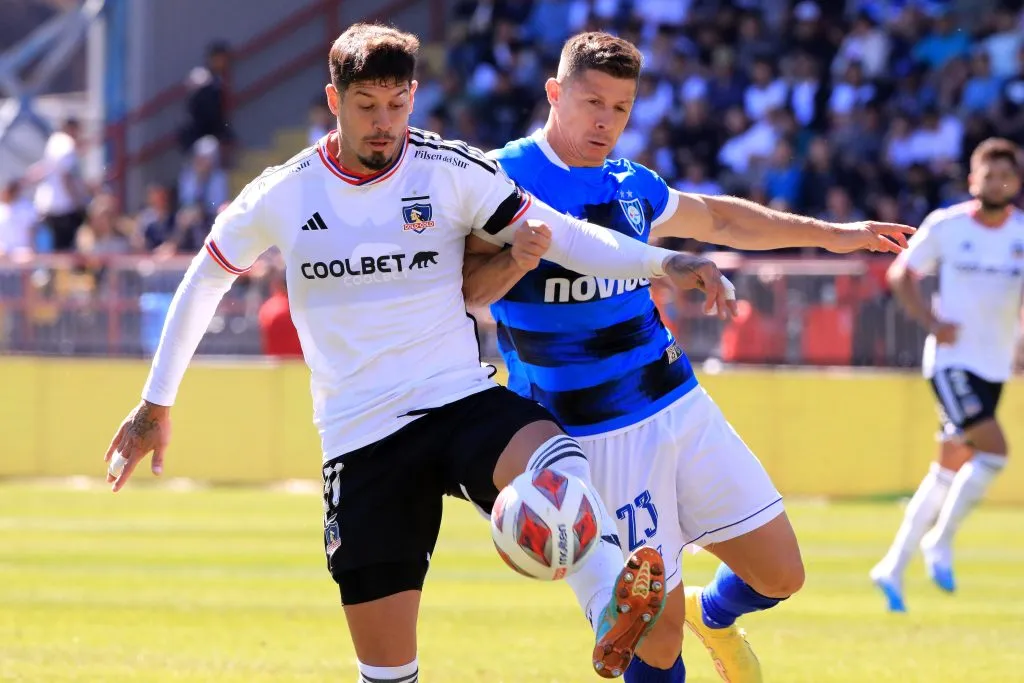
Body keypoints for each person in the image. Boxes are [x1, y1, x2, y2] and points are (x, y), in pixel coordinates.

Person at [101, 23, 740, 683]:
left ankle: (612, 605)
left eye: (397, 104)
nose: (384, 123)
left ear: (413, 97)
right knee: (388, 673)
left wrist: (664, 261)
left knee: (554, 452)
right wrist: (156, 401)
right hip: (361, 436)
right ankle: (599, 596)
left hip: (457, 400)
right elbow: (207, 276)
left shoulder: (450, 169)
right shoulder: (285, 192)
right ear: (334, 99)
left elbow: (564, 237)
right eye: (366, 106)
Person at [462, 32, 914, 683]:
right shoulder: (497, 178)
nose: (605, 121)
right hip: (593, 433)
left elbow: (721, 221)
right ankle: (666, 621)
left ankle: (714, 610)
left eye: (620, 108)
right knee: (653, 634)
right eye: (591, 102)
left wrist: (837, 235)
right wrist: (516, 258)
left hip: (679, 400)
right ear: (555, 93)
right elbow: (466, 288)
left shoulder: (630, 182)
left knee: (782, 573)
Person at [871, 137, 1024, 612]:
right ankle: (941, 541)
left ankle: (892, 567)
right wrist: (933, 323)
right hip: (952, 363)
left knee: (947, 469)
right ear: (972, 180)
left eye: (1006, 175)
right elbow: (901, 274)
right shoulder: (947, 226)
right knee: (995, 453)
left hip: (994, 363)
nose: (997, 182)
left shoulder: (1021, 232)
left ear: (1015, 182)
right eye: (988, 174)